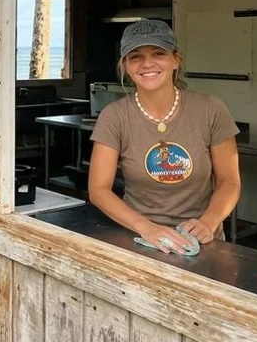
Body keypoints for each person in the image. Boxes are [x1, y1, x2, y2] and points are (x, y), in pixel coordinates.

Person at [89, 20, 241, 254]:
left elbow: (229, 181)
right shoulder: (114, 116)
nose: (147, 63)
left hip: (202, 242)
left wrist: (209, 222)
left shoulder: (210, 109)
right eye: (136, 56)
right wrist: (146, 228)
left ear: (175, 59)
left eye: (158, 53)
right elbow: (98, 189)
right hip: (139, 238)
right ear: (125, 66)